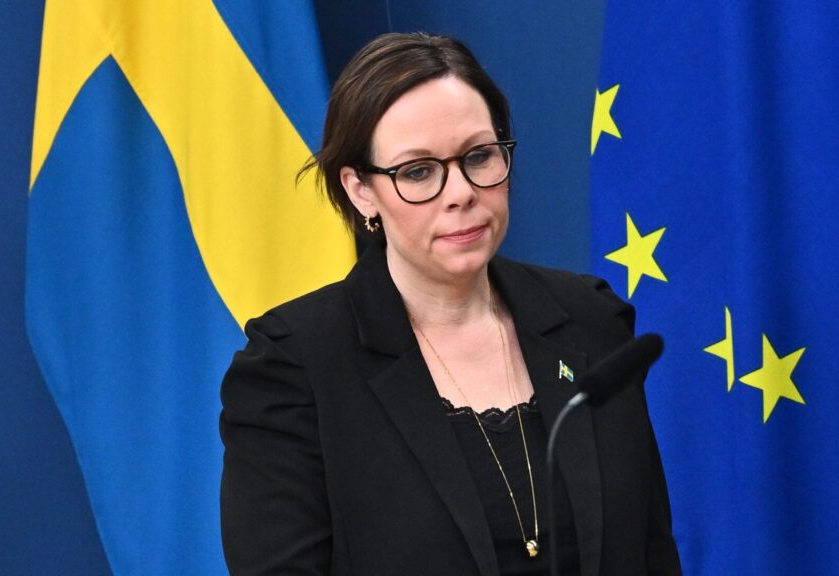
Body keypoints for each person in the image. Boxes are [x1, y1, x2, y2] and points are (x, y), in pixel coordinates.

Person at [219, 32, 681, 576]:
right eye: (418, 171)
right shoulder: (294, 367)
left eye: (479, 157)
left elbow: (651, 551)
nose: (461, 192)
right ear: (361, 190)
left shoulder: (590, 319)